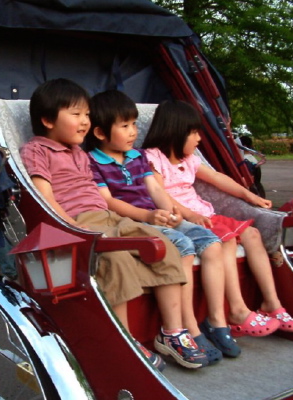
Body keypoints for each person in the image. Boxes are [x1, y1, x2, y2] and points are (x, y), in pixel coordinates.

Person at [20, 78, 208, 370]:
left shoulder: (79, 153)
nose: (85, 121)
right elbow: (45, 198)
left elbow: (97, 194)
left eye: (86, 114)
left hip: (110, 218)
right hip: (80, 221)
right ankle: (125, 340)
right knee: (117, 258)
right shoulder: (38, 150)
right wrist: (73, 229)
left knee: (164, 244)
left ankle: (172, 332)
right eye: (76, 114)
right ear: (47, 120)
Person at [85, 90, 239, 362]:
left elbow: (155, 189)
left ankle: (214, 321)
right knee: (183, 245)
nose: (133, 131)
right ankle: (181, 328)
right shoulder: (93, 161)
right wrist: (147, 217)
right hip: (132, 221)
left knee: (210, 241)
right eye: (125, 126)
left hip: (156, 215)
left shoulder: (137, 157)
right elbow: (108, 202)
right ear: (99, 132)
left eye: (133, 124)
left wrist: (173, 212)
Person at [142, 100, 293, 337]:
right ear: (175, 130)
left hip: (206, 215)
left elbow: (218, 179)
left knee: (253, 233)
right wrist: (190, 215)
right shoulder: (152, 158)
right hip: (189, 220)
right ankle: (238, 310)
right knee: (227, 240)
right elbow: (160, 195)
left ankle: (272, 302)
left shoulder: (190, 160)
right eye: (194, 132)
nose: (199, 139)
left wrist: (250, 195)